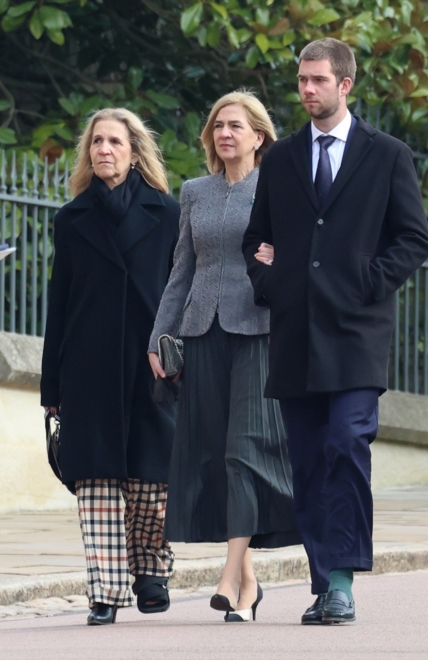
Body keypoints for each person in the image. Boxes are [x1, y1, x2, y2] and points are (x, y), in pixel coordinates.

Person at [242, 38, 428, 625]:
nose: (306, 90)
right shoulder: (280, 158)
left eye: (318, 80)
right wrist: (271, 283)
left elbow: (414, 239)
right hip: (296, 338)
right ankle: (324, 583)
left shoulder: (388, 156)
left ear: (345, 85)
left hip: (356, 336)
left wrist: (366, 284)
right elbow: (256, 241)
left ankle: (343, 581)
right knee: (306, 464)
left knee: (345, 446)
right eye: (302, 80)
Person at [148, 91, 299, 624]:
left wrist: (281, 257)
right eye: (218, 126)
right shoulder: (195, 191)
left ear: (259, 136)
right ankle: (249, 583)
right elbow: (180, 270)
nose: (224, 134)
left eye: (235, 126)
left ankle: (229, 577)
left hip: (258, 331)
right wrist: (159, 336)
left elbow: (299, 256)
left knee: (244, 451)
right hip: (202, 333)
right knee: (215, 453)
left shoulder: (280, 187)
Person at [40, 108, 180, 626]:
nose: (104, 149)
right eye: (96, 141)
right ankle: (105, 589)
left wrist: (179, 358)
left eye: (114, 142)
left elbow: (179, 289)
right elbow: (60, 303)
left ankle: (149, 568)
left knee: (151, 482)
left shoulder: (167, 213)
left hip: (150, 366)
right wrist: (51, 384)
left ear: (134, 150)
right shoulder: (71, 219)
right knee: (96, 482)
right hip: (88, 367)